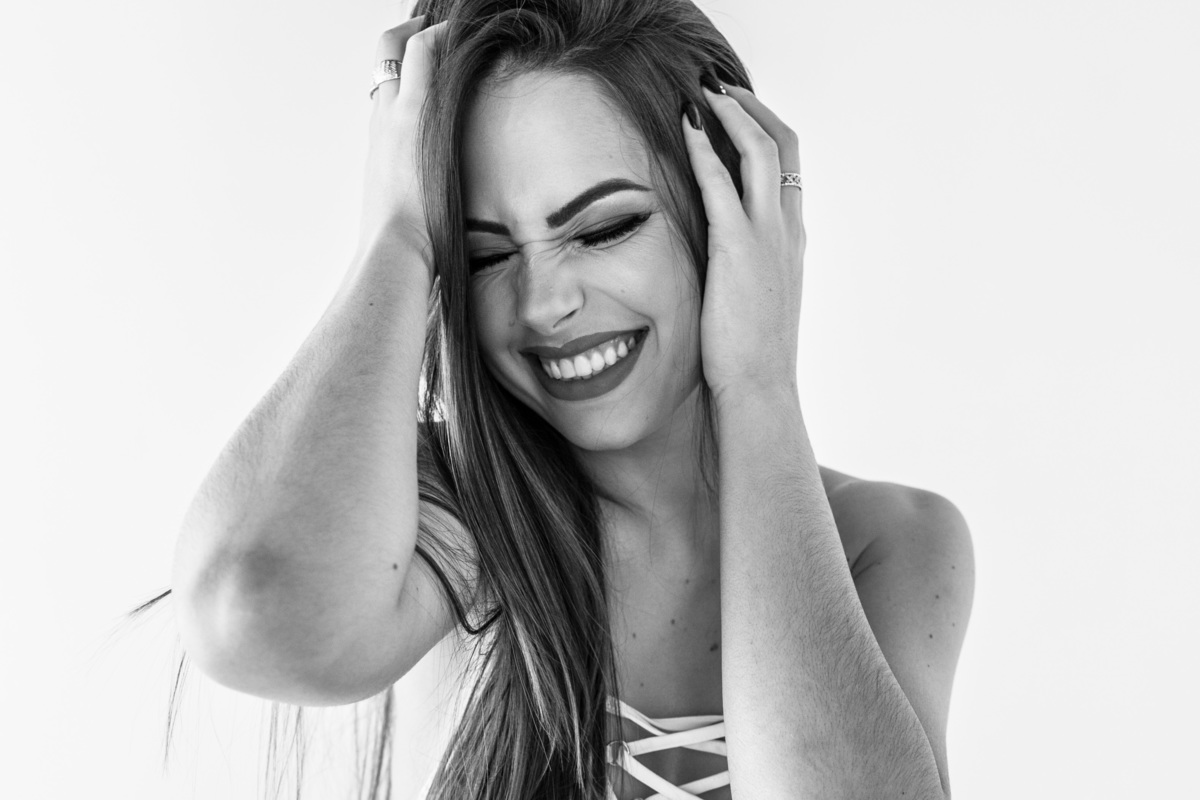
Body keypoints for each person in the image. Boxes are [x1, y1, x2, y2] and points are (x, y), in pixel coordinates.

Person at [143, 0, 976, 798]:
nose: (544, 305)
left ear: (730, 210)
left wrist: (759, 385)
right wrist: (395, 233)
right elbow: (250, 612)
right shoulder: (457, 512)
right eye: (484, 256)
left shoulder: (884, 541)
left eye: (604, 228)